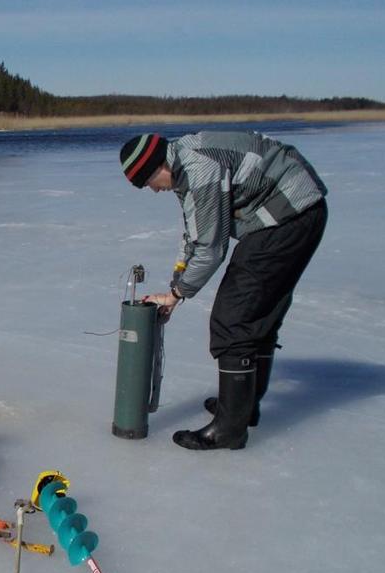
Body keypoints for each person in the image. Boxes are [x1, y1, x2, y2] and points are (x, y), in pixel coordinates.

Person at [118, 131, 328, 450]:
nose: (153, 191)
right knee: (256, 314)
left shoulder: (198, 169)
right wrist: (176, 280)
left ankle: (230, 428)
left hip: (288, 216)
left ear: (157, 167)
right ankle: (244, 409)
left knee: (232, 319)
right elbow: (194, 232)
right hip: (294, 212)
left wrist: (176, 295)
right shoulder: (182, 164)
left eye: (148, 183)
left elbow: (211, 248)